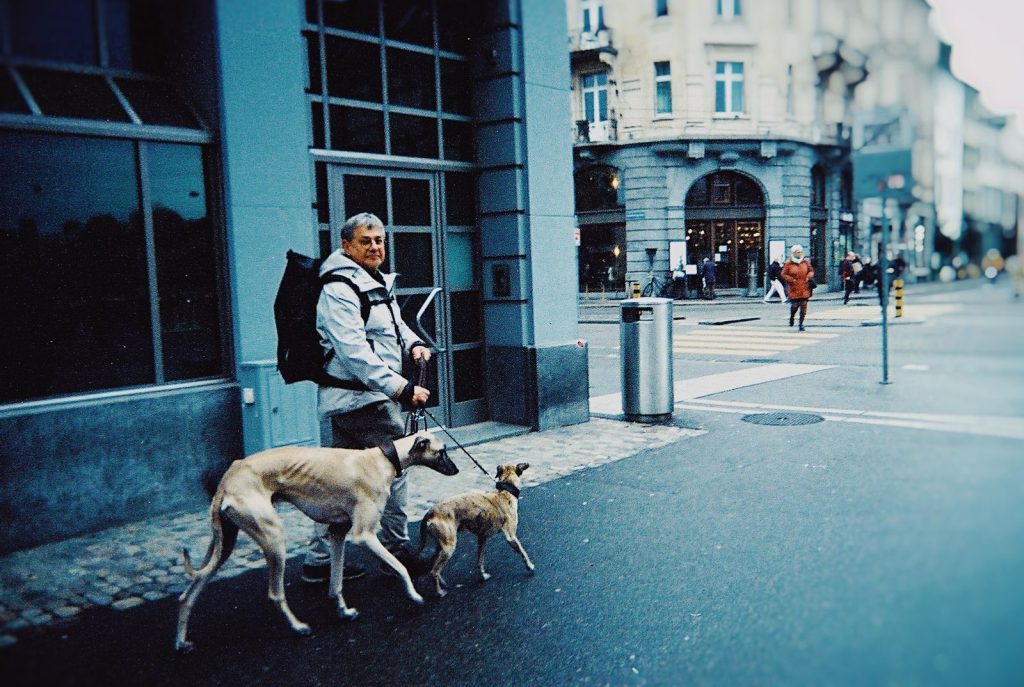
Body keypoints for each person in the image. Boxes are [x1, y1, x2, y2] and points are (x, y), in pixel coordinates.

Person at [302, 212, 432, 584]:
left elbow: (393, 326)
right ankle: (397, 550)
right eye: (366, 241)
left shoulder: (372, 280)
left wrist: (414, 343)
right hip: (363, 400)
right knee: (398, 467)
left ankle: (317, 560)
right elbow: (353, 352)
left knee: (336, 482)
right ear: (347, 245)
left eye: (379, 240)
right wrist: (402, 388)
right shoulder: (340, 288)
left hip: (354, 400)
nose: (375, 247)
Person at [781, 244, 814, 331]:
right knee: (794, 306)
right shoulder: (789, 263)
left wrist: (809, 276)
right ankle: (792, 317)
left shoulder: (805, 262)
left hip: (804, 287)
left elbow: (811, 271)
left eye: (800, 252)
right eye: (797, 252)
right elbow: (783, 274)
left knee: (804, 306)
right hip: (794, 288)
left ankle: (801, 324)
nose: (799, 253)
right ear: (793, 253)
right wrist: (791, 280)